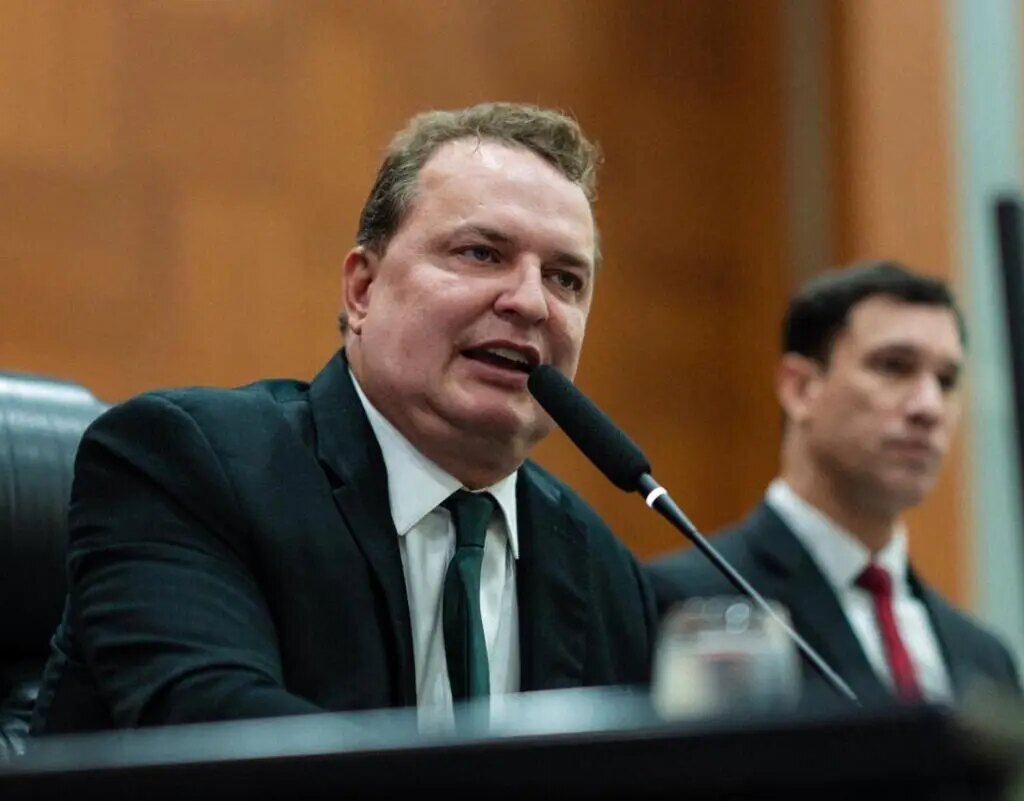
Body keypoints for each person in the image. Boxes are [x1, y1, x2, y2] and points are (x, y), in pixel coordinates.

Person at [31, 102, 656, 733]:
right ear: (363, 290)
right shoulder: (185, 467)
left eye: (565, 279)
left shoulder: (601, 569)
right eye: (481, 253)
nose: (530, 302)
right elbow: (219, 734)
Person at [647, 262, 1020, 709]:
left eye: (946, 380)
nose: (929, 407)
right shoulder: (683, 605)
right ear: (801, 388)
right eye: (894, 366)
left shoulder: (987, 658)